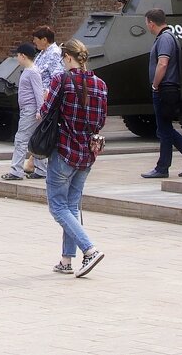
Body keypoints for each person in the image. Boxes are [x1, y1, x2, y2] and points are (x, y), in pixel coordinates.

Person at [39, 38, 107, 277]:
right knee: (71, 206)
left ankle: (89, 249)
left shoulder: (62, 80)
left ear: (68, 57)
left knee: (58, 207)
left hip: (64, 149)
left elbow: (45, 111)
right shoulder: (100, 84)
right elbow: (100, 121)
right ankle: (67, 260)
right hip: (87, 153)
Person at [141, 8, 182, 179]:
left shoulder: (165, 38)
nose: (147, 26)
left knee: (164, 128)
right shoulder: (167, 37)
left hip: (165, 88)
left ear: (151, 23)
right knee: (164, 128)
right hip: (167, 88)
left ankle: (167, 166)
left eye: (147, 23)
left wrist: (155, 85)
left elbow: (163, 63)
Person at [2, 43, 47, 180]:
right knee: (35, 139)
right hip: (29, 110)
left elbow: (38, 93)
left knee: (21, 139)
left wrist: (40, 110)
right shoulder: (29, 71)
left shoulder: (32, 72)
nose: (17, 58)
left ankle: (16, 171)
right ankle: (42, 170)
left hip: (31, 110)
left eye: (17, 55)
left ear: (23, 56)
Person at [32, 25, 64, 97]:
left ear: (44, 40)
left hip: (45, 99)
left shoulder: (54, 53)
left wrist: (47, 94)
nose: (34, 41)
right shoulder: (44, 51)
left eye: (35, 39)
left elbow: (57, 79)